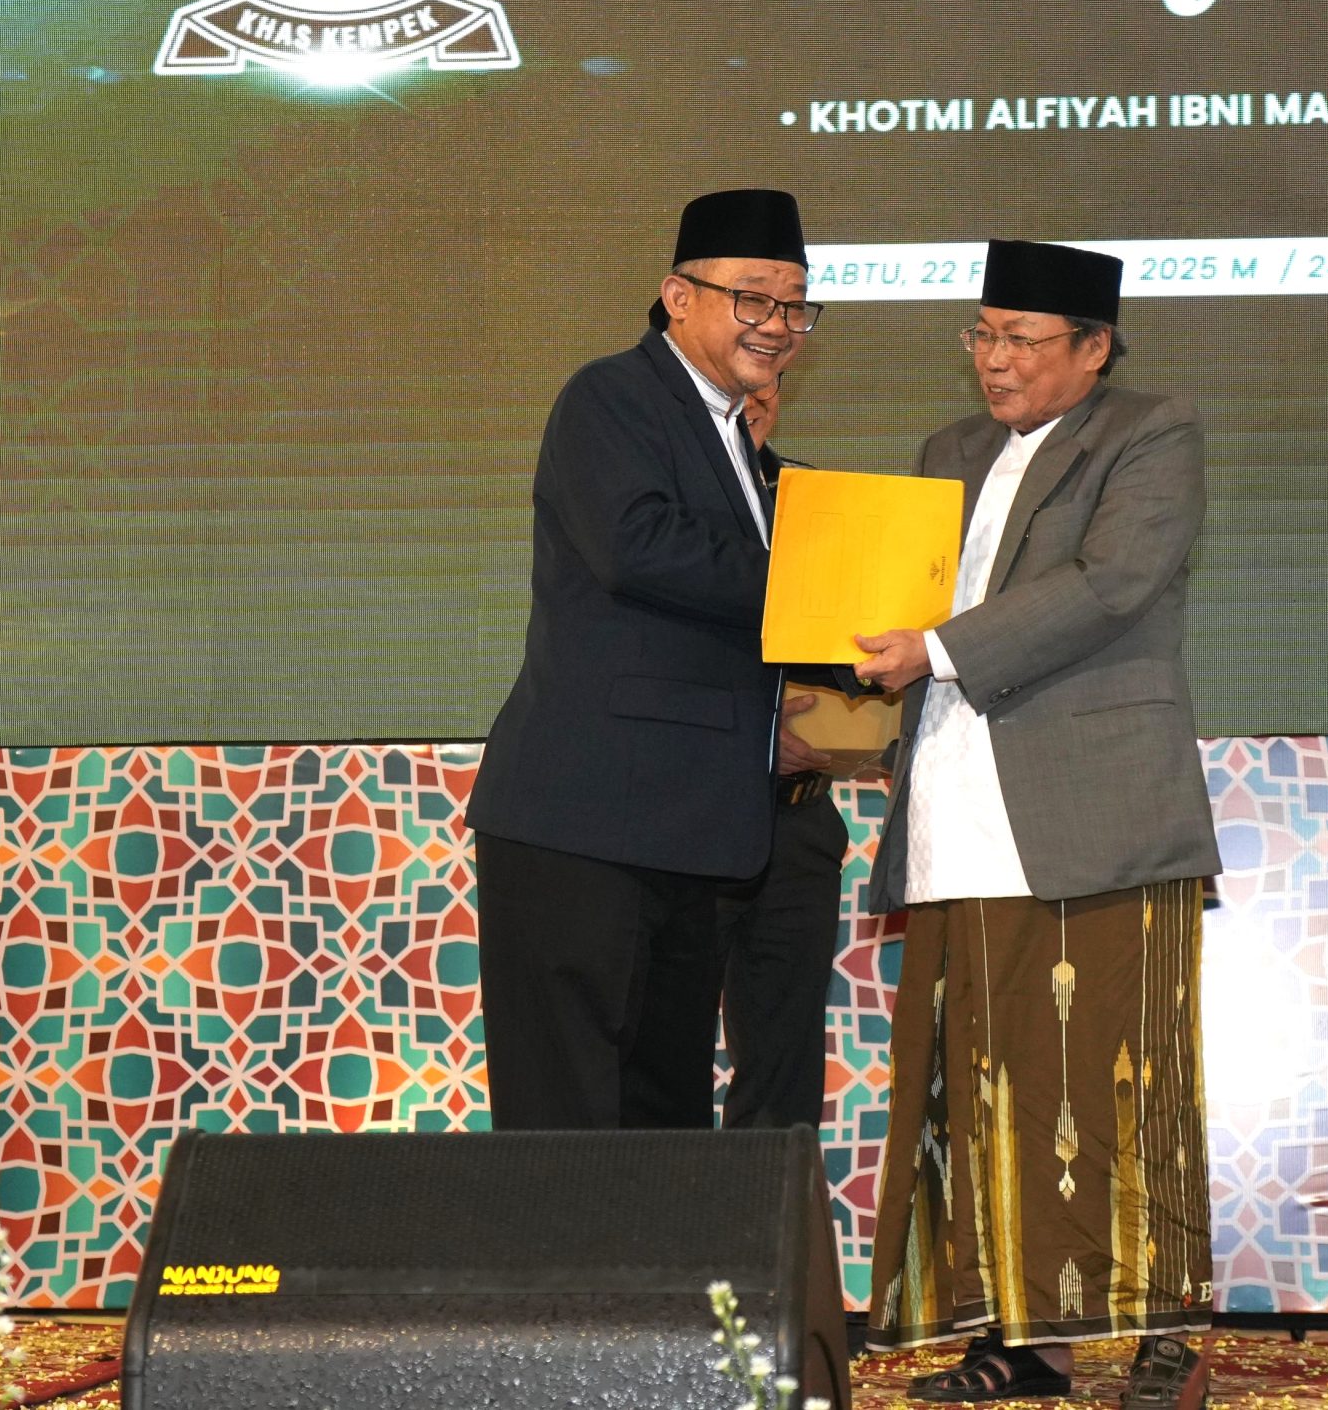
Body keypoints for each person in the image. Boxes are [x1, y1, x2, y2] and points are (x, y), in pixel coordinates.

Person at [851, 239, 1219, 1409]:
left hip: (1097, 808)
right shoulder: (947, 451)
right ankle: (1021, 1343)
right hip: (953, 806)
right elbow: (899, 594)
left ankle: (1165, 1333)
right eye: (981, 333)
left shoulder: (1149, 432)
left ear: (1093, 347)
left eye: (1019, 338)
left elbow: (1113, 582)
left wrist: (934, 648)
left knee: (1122, 1076)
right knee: (980, 1080)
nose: (993, 359)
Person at [468, 188, 830, 1131]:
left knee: (663, 1134)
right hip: (587, 826)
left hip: (689, 837)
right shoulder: (612, 396)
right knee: (567, 1130)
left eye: (795, 305)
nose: (777, 324)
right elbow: (640, 547)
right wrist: (824, 588)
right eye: (753, 298)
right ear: (679, 296)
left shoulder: (739, 438)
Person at [717, 370, 853, 1131]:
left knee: (784, 1066)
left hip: (798, 824)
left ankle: (769, 1209)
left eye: (766, 387)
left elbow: (851, 639)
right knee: (657, 1051)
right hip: (688, 823)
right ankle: (663, 1206)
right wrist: (752, 737)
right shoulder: (663, 500)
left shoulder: (814, 504)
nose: (753, 402)